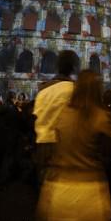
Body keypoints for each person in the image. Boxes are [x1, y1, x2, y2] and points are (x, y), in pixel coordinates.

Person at [36, 70, 111, 221]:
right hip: (91, 193)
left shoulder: (62, 114)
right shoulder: (103, 118)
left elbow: (50, 150)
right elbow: (110, 157)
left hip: (60, 190)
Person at [33, 50, 78, 186]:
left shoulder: (42, 91)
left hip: (43, 145)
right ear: (73, 68)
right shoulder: (75, 91)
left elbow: (35, 119)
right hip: (67, 148)